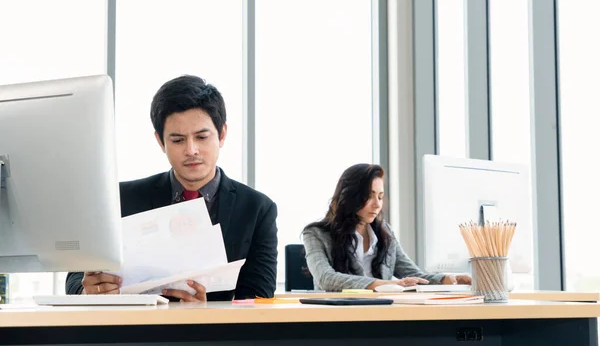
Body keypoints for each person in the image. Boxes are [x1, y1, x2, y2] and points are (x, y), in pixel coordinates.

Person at [65, 75, 278, 301]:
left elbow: (259, 297)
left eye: (202, 137)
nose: (191, 150)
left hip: (216, 335)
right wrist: (88, 289)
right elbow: (75, 279)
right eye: (177, 140)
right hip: (136, 331)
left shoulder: (257, 209)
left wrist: (209, 314)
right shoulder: (121, 199)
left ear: (222, 134)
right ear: (160, 141)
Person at [302, 163, 471, 291]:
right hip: (339, 316)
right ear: (349, 196)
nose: (377, 205)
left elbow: (415, 276)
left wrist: (449, 279)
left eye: (380, 197)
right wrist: (388, 284)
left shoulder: (384, 232)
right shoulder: (316, 234)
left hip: (381, 314)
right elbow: (326, 278)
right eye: (370, 196)